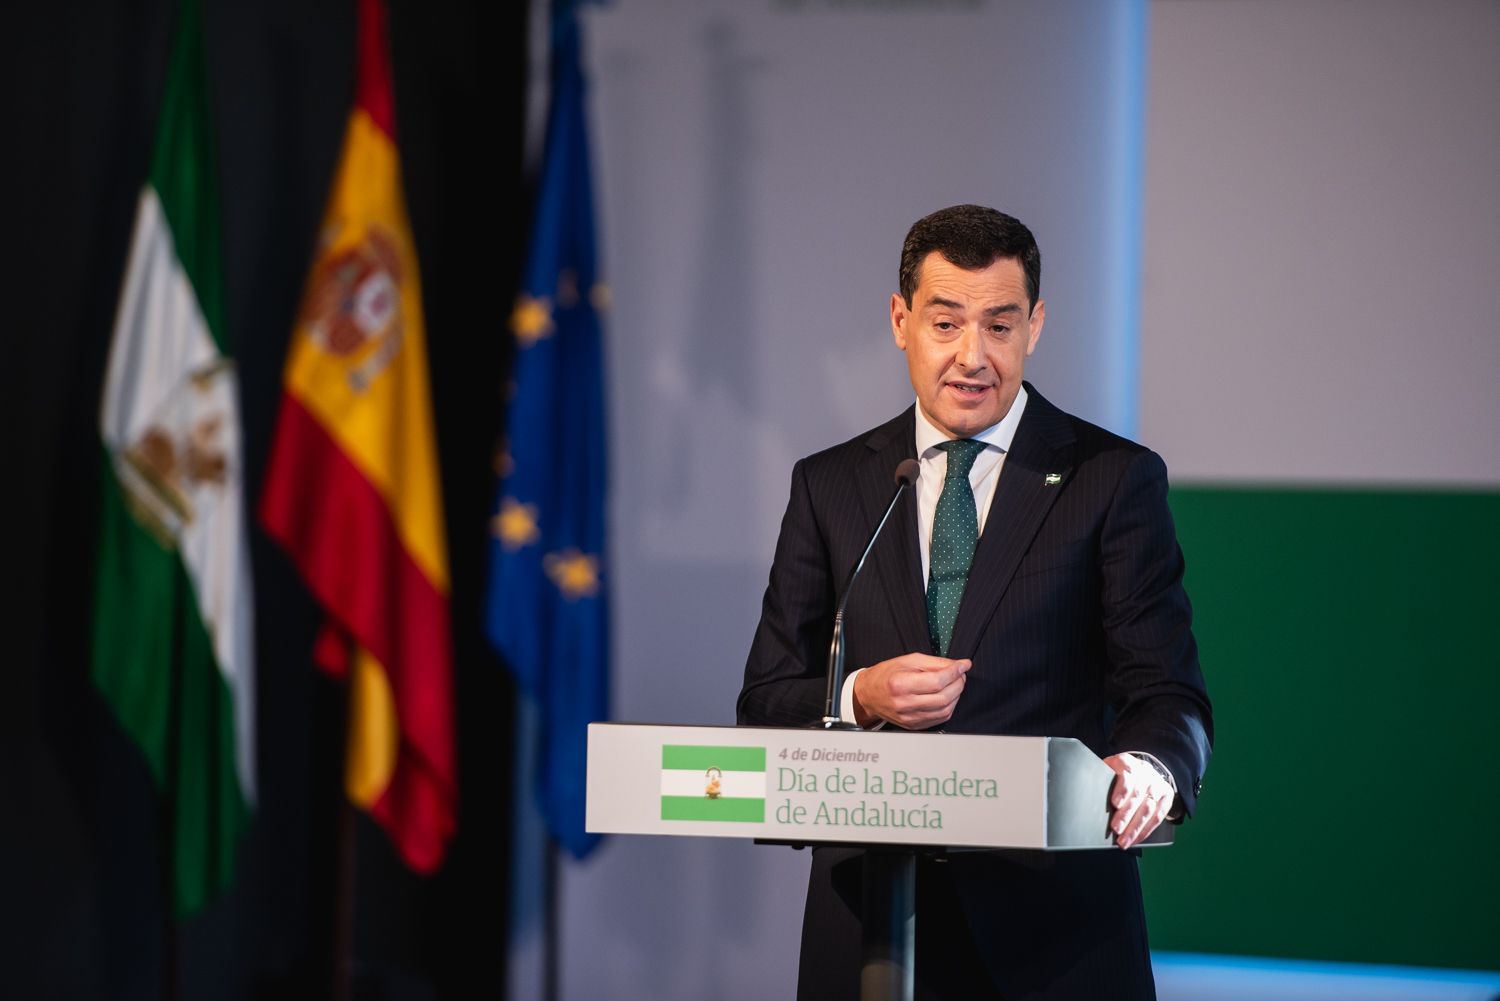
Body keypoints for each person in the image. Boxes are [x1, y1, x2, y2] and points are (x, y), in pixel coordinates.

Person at [738, 205, 1213, 1000]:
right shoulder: (832, 486)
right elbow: (764, 704)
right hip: (868, 934)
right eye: (946, 321)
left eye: (999, 324)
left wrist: (1153, 762)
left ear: (1036, 325)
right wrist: (859, 694)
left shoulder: (1111, 479)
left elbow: (1167, 690)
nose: (972, 355)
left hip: (1055, 935)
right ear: (901, 321)